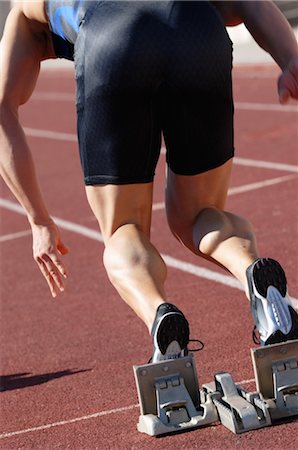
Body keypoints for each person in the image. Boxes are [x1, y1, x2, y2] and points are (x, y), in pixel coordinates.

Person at [1, 1, 298, 363]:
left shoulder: (28, 12)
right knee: (197, 214)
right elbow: (247, 3)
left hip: (110, 40)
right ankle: (253, 273)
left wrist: (39, 220)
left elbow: (3, 109)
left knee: (123, 228)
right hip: (193, 26)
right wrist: (290, 59)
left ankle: (160, 314)